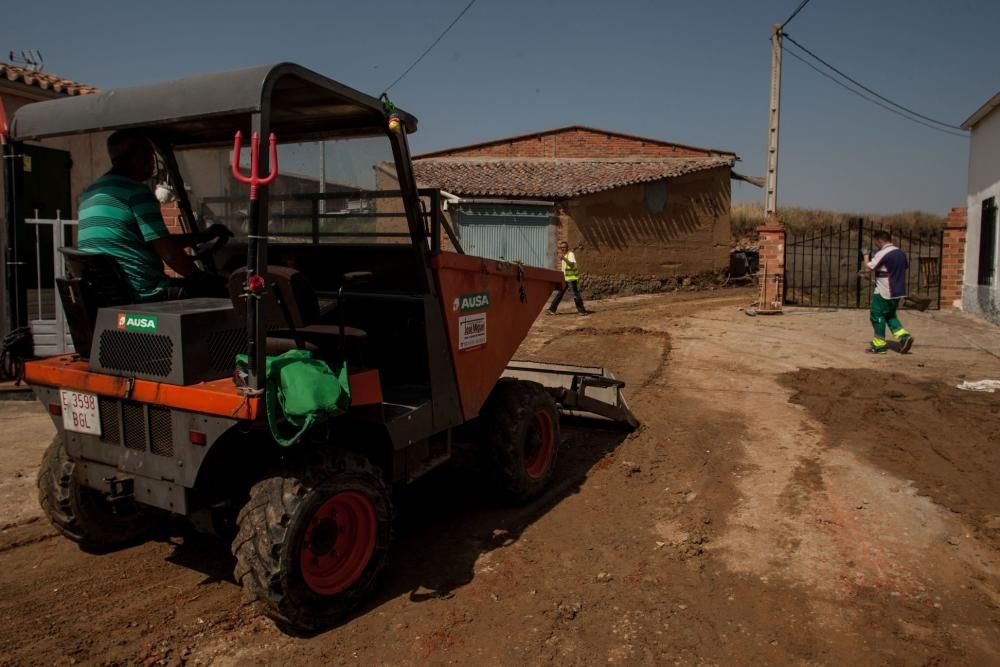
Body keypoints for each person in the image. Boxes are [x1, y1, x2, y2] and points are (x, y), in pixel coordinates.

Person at [78, 130, 229, 302]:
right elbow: (170, 254)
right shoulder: (136, 193)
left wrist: (202, 236)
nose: (153, 163)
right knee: (224, 291)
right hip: (145, 292)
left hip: (110, 293)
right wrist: (205, 279)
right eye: (149, 155)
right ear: (137, 158)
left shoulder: (90, 194)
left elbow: (153, 242)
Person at [863, 230, 913, 354]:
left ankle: (879, 345)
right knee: (890, 316)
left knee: (877, 315)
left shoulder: (883, 253)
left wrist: (865, 255)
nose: (875, 244)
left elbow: (868, 268)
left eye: (875, 242)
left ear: (880, 240)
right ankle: (904, 337)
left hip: (884, 291)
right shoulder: (901, 253)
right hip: (898, 291)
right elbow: (899, 268)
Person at [548, 241, 589, 315]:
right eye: (561, 247)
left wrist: (564, 259)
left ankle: (581, 311)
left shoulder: (570, 255)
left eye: (564, 247)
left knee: (575, 294)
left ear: (567, 248)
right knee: (560, 294)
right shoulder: (565, 255)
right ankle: (551, 309)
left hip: (571, 278)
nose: (563, 249)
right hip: (565, 278)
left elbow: (572, 265)